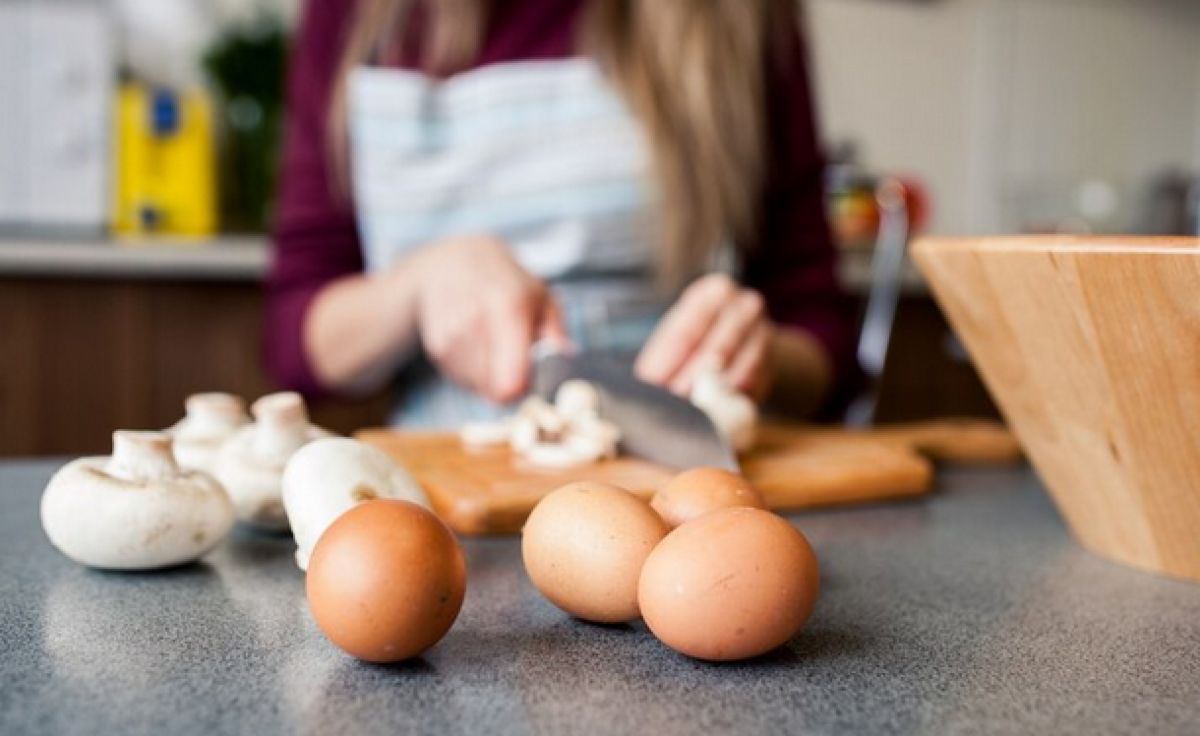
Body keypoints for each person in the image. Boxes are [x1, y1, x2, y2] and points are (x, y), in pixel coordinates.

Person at [266, 0, 858, 428]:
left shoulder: (743, 15)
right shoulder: (353, 16)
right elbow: (294, 343)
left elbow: (819, 332)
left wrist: (761, 356)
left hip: (679, 477)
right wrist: (414, 287)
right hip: (442, 492)